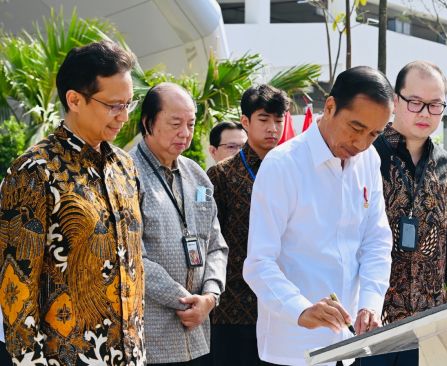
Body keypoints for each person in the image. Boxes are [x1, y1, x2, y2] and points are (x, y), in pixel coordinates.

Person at [0, 40, 145, 364]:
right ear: (75, 100)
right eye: (113, 105)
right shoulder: (34, 171)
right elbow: (15, 290)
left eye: (129, 104)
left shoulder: (125, 167)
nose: (124, 116)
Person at [243, 66, 394, 366]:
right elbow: (259, 263)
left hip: (347, 344)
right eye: (356, 127)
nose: (362, 143)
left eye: (374, 134)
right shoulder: (282, 165)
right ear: (329, 107)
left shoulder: (369, 160)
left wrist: (370, 303)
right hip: (293, 347)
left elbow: (376, 241)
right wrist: (301, 310)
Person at [357, 61, 447, 366]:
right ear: (396, 101)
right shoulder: (369, 155)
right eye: (415, 102)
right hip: (370, 322)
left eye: (435, 105)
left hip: (429, 324)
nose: (424, 113)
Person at [130, 82, 228, 365]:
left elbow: (216, 245)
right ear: (148, 122)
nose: (185, 133)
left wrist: (210, 296)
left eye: (191, 124)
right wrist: (184, 300)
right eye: (175, 124)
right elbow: (132, 256)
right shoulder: (126, 174)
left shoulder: (196, 175)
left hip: (198, 334)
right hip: (151, 335)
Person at [206, 84, 290, 366]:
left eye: (278, 120)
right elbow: (211, 240)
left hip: (283, 307)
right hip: (234, 310)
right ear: (246, 122)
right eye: (264, 119)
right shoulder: (223, 174)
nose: (273, 129)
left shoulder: (293, 170)